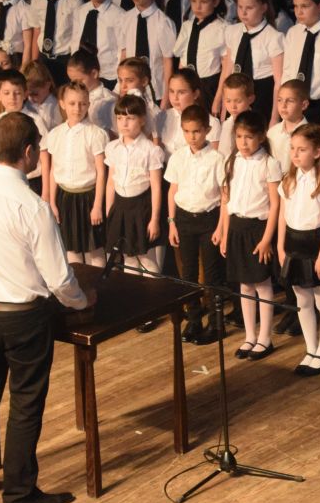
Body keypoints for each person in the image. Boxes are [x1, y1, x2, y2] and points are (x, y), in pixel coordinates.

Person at [0, 111, 91, 503]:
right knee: (25, 401)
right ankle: (19, 495)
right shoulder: (33, 206)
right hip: (22, 315)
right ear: (29, 152)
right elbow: (59, 278)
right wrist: (83, 301)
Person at [277, 124, 320, 375]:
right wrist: (281, 247)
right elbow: (282, 216)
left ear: (317, 152)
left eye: (301, 149)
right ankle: (311, 348)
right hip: (294, 245)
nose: (295, 154)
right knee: (302, 300)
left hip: (315, 246)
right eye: (293, 148)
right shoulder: (288, 180)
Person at [220, 110, 283, 361]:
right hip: (236, 226)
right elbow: (226, 200)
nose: (243, 142)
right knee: (244, 284)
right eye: (239, 137)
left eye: (248, 137)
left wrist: (267, 239)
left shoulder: (269, 164)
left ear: (261, 137)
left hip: (258, 229)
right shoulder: (232, 161)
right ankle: (250, 335)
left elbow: (275, 205)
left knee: (262, 284)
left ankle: (265, 338)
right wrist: (225, 232)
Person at [166, 104, 227, 343]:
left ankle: (216, 323)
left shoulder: (217, 158)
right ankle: (193, 320)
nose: (192, 137)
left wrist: (221, 227)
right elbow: (173, 191)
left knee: (212, 274)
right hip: (184, 218)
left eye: (197, 131)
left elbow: (224, 195)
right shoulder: (178, 157)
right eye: (187, 131)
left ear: (207, 130)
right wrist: (172, 222)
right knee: (188, 273)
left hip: (209, 219)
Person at [42, 82, 108, 267]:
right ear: (62, 104)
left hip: (88, 197)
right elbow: (54, 170)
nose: (77, 108)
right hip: (65, 197)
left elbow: (101, 172)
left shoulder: (95, 134)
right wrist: (53, 202)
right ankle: (78, 283)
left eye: (82, 103)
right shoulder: (55, 134)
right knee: (71, 249)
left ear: (88, 104)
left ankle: (98, 283)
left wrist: (97, 206)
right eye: (72, 103)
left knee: (94, 248)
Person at [104, 94, 165, 277]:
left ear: (142, 120)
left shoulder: (150, 150)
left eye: (130, 118)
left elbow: (156, 187)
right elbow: (111, 181)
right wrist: (109, 211)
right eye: (120, 118)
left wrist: (154, 219)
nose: (124, 123)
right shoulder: (113, 148)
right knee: (128, 258)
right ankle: (135, 292)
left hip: (141, 208)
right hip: (121, 207)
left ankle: (153, 291)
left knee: (146, 259)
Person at [219, 0, 284, 119]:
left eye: (249, 8)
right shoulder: (232, 31)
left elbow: (278, 82)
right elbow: (227, 71)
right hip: (234, 96)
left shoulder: (273, 37)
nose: (243, 12)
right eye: (240, 7)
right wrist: (223, 106)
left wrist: (274, 117)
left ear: (263, 8)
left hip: (261, 94)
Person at [22, 0, 81, 84]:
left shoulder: (75, 1)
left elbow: (77, 34)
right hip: (44, 59)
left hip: (65, 59)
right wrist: (34, 62)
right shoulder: (36, 1)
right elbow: (37, 31)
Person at [119, 0, 177, 98]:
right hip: (130, 90)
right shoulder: (125, 19)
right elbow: (123, 54)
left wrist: (166, 96)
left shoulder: (163, 22)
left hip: (156, 90)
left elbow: (168, 61)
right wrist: (121, 87)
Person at [172, 0, 228, 110]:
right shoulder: (187, 26)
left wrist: (218, 98)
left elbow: (226, 67)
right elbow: (182, 60)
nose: (198, 6)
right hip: (185, 87)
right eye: (193, 1)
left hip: (208, 86)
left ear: (215, 2)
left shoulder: (222, 28)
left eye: (203, 2)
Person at [218, 73, 256, 155]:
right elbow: (222, 152)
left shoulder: (256, 125)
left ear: (250, 99)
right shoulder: (226, 124)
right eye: (228, 101)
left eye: (238, 101)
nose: (233, 106)